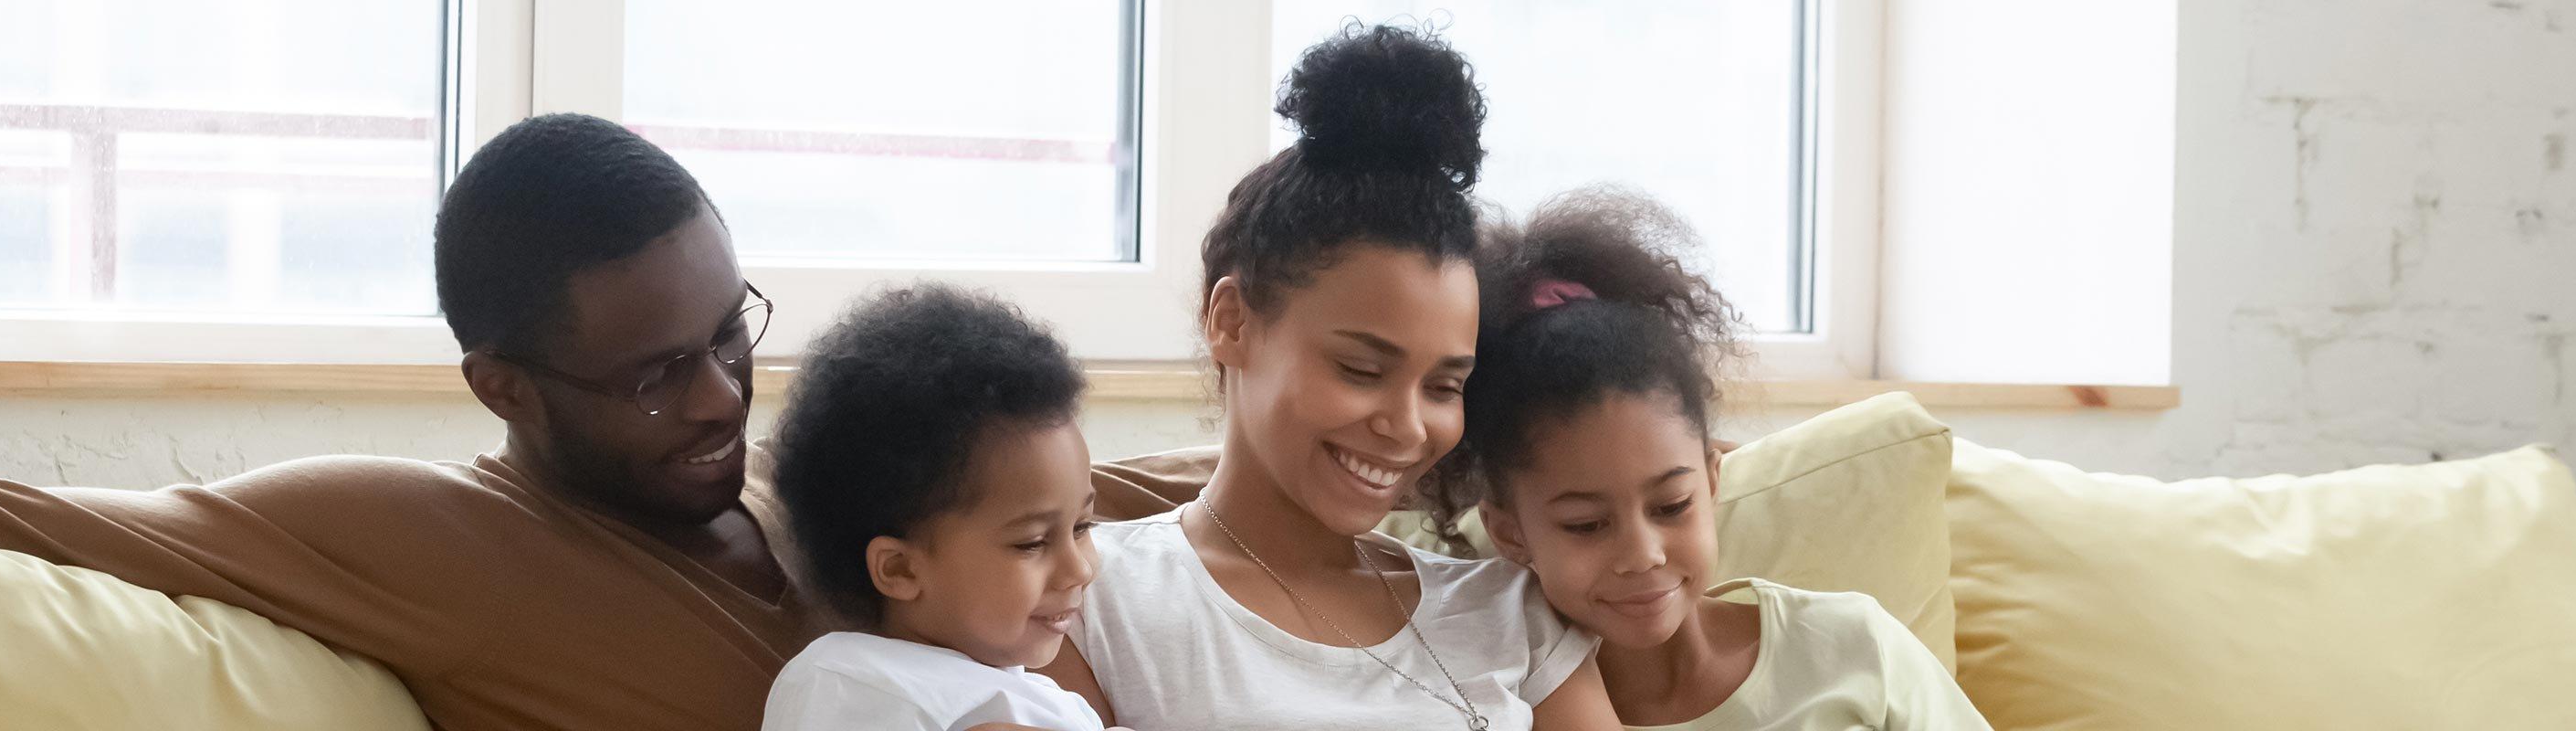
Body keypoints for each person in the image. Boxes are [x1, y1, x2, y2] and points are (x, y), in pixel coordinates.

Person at [0, 113, 832, 730]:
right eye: (654, 374)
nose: (722, 395)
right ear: (504, 387)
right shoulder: (440, 542)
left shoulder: (827, 480)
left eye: (733, 332)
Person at [1034, 21, 1623, 731]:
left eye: (1443, 386)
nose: (1406, 427)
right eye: (1361, 368)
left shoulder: (1509, 615)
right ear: (1232, 321)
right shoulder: (1083, 599)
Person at [1434, 186, 1992, 730]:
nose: (1643, 554)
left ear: (1711, 479)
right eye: (1586, 524)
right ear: (1508, 532)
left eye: (1672, 505)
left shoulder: (1852, 645)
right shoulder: (1495, 702)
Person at [760, 285, 1108, 731]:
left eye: (1082, 526)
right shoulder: (852, 678)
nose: (1079, 569)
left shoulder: (1036, 697)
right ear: (901, 569)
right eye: (1031, 543)